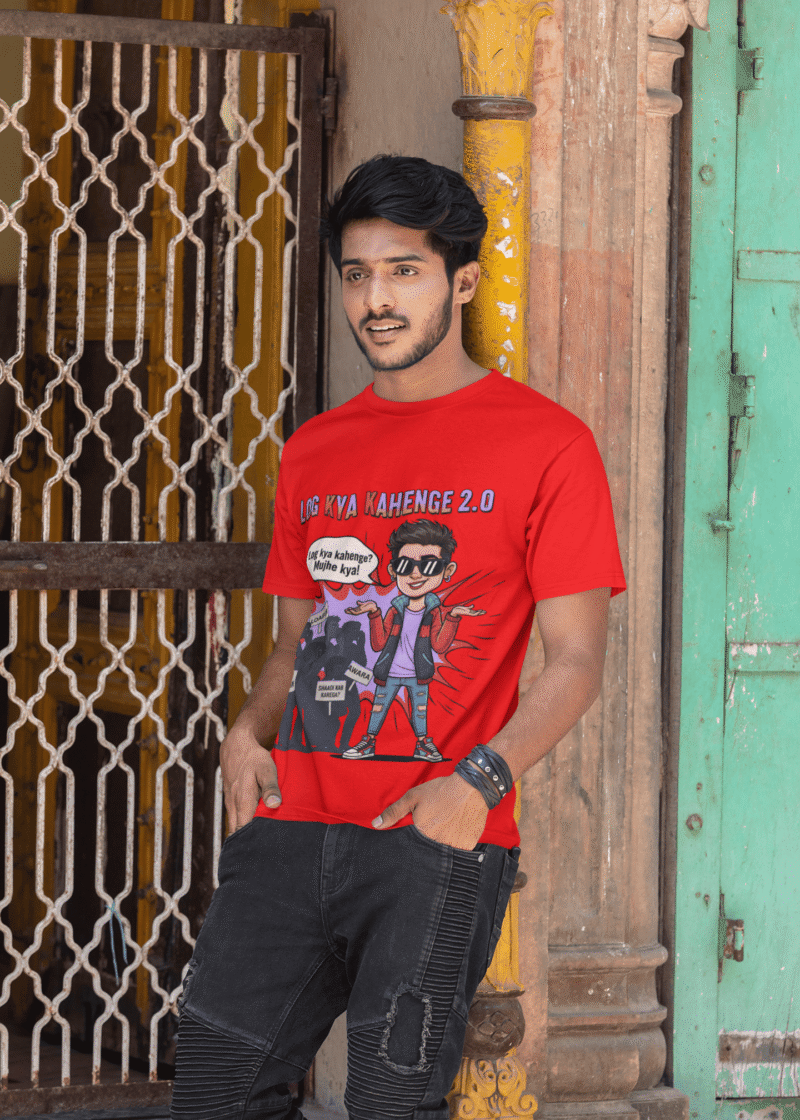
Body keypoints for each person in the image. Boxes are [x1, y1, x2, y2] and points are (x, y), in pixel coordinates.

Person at [169, 154, 626, 1120]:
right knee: (215, 1093)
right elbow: (296, 643)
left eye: (403, 271)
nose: (376, 298)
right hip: (290, 831)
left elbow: (577, 663)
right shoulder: (315, 450)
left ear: (460, 280)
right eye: (356, 273)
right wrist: (247, 732)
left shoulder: (548, 445)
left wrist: (477, 787)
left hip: (432, 839)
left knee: (391, 1106)